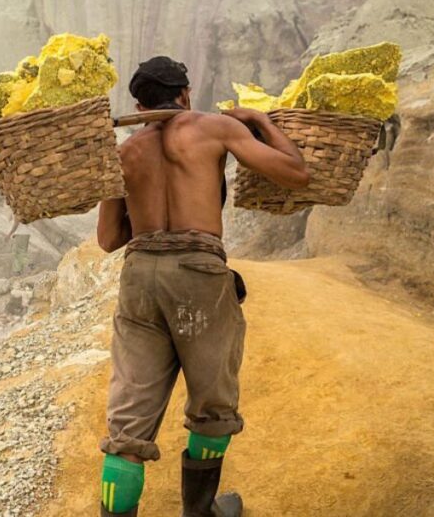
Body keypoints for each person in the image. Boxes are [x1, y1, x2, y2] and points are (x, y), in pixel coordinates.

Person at [96, 57, 309, 517]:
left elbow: (110, 239)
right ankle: (201, 512)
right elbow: (296, 173)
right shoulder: (214, 128)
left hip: (139, 277)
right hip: (197, 272)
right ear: (186, 93)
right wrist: (257, 121)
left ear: (139, 105)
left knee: (128, 423)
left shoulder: (123, 152)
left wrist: (148, 208)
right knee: (213, 406)